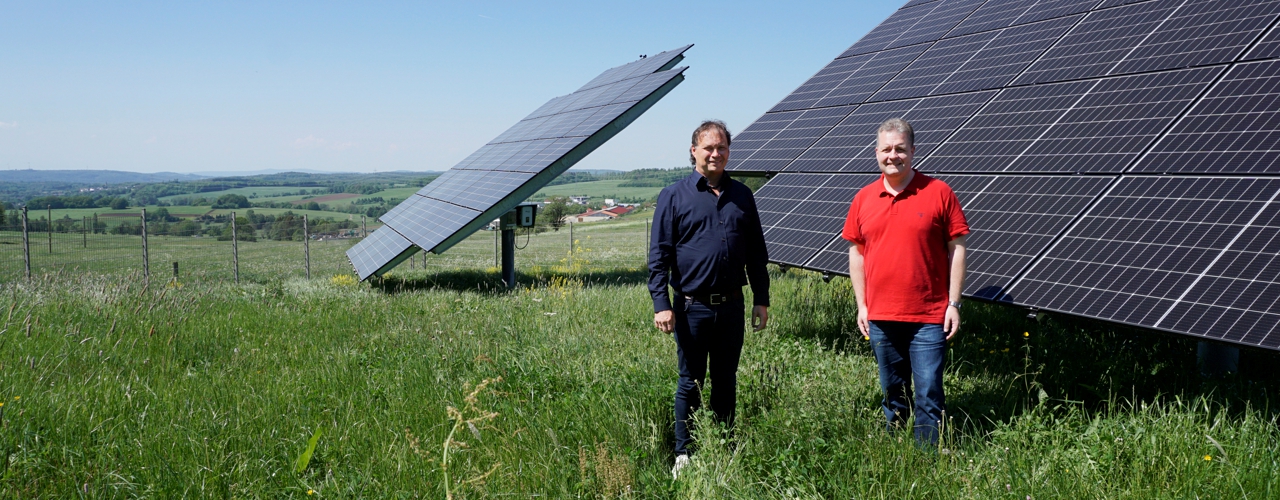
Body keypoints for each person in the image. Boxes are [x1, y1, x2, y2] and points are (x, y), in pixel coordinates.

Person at [649, 120, 770, 478]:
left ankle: (723, 445)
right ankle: (684, 452)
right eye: (708, 147)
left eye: (722, 147)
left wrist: (761, 298)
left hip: (732, 305)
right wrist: (661, 304)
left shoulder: (742, 195)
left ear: (728, 151)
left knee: (726, 380)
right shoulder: (674, 196)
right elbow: (659, 256)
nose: (715, 153)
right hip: (691, 307)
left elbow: (757, 253)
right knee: (690, 380)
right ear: (694, 151)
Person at [842, 117, 968, 447]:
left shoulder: (939, 192)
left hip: (929, 316)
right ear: (876, 153)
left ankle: (925, 458)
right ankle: (894, 450)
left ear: (912, 151)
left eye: (900, 149)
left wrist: (954, 303)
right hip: (881, 316)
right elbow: (857, 254)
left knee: (929, 392)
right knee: (892, 390)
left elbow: (957, 248)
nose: (893, 155)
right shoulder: (863, 198)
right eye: (886, 149)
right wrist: (862, 305)